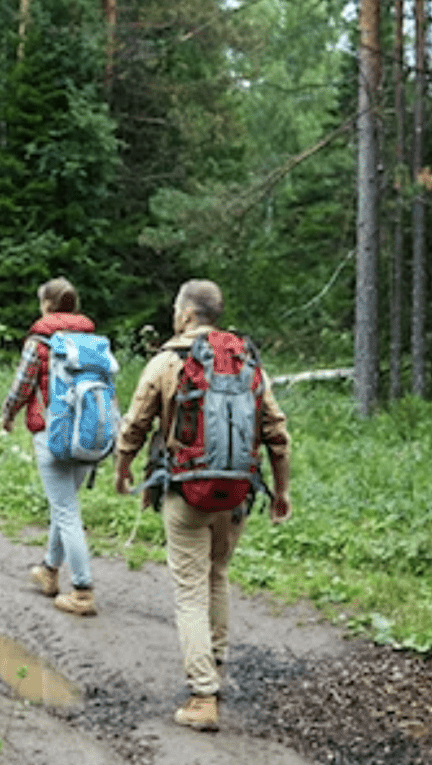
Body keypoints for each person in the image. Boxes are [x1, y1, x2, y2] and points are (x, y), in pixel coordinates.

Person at [112, 279, 292, 732]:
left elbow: (135, 423)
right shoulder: (247, 362)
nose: (175, 315)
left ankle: (203, 695)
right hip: (237, 492)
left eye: (177, 308)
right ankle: (217, 659)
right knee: (218, 574)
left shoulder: (167, 361)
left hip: (186, 491)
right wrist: (282, 490)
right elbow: (277, 432)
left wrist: (123, 468)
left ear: (188, 314)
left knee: (189, 588)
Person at [0, 277, 100, 616]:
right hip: (87, 434)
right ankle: (48, 571)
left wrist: (8, 414)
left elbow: (22, 386)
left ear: (46, 305)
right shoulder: (92, 340)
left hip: (52, 434)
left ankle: (83, 590)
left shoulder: (40, 340)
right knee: (65, 505)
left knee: (67, 512)